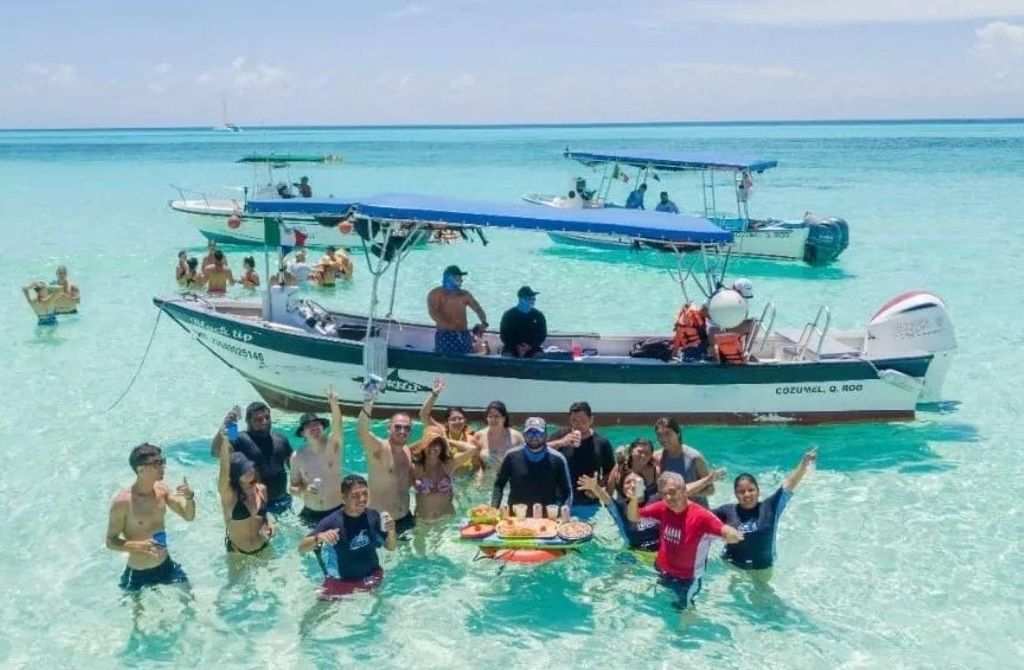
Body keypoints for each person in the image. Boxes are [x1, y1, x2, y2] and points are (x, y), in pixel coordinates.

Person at [627, 471, 742, 609]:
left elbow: (725, 531)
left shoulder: (702, 517)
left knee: (684, 614)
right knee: (661, 607)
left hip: (688, 580)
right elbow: (634, 517)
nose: (668, 497)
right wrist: (634, 499)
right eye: (664, 494)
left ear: (683, 490)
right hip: (662, 571)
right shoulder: (662, 508)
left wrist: (732, 534)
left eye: (672, 492)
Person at [713, 447, 817, 581]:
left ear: (758, 491)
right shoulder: (727, 511)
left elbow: (790, 483)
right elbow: (700, 518)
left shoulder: (770, 507)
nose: (747, 494)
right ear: (735, 494)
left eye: (751, 490)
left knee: (761, 600)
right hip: (732, 566)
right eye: (741, 491)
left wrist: (804, 464)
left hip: (762, 568)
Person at [105, 443, 195, 591]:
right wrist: (139, 546)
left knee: (190, 603)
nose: (162, 467)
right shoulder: (123, 502)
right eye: (156, 463)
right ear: (140, 469)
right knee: (137, 614)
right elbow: (110, 541)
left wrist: (190, 498)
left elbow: (188, 516)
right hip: (138, 573)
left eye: (162, 462)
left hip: (165, 564)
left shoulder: (162, 490)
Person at [298, 474, 397, 599]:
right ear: (344, 498)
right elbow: (301, 548)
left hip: (372, 578)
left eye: (365, 493)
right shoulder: (332, 522)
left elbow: (391, 547)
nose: (362, 499)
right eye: (356, 495)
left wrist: (392, 532)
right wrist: (319, 537)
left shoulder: (373, 516)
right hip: (340, 583)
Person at [212, 402, 294, 515]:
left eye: (267, 417)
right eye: (258, 419)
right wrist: (227, 425)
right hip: (255, 504)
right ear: (248, 421)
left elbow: (294, 467)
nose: (264, 421)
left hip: (283, 500)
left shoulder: (281, 439)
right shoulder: (240, 439)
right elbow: (216, 452)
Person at [357, 390, 416, 533]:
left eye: (406, 428)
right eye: (398, 427)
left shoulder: (407, 450)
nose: (402, 431)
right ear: (388, 428)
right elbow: (363, 431)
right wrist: (368, 402)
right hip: (381, 521)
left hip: (405, 517)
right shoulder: (379, 448)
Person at [291, 387, 346, 527]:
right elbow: (293, 487)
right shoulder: (297, 456)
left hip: (336, 510)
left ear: (322, 428)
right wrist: (304, 490)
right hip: (310, 513)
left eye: (317, 425)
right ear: (303, 433)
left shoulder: (333, 446)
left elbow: (338, 426)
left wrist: (334, 403)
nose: (315, 428)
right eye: (309, 426)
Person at [214, 428, 275, 555]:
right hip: (238, 553)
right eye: (244, 470)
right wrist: (225, 442)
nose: (250, 471)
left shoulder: (261, 489)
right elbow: (224, 472)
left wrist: (270, 526)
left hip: (264, 546)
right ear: (236, 475)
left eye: (249, 467)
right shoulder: (230, 495)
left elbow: (264, 518)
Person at [549, 401, 615, 515]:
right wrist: (561, 442)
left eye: (583, 421)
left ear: (591, 420)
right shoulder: (561, 435)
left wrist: (597, 487)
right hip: (561, 500)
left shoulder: (601, 442)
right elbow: (540, 449)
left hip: (588, 503)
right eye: (574, 421)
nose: (578, 425)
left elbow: (611, 472)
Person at [491, 417, 573, 508]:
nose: (534, 437)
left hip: (548, 518)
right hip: (516, 517)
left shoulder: (558, 459)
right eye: (530, 433)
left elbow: (567, 492)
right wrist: (494, 510)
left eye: (538, 434)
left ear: (545, 435)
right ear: (524, 435)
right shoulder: (511, 456)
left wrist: (564, 510)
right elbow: (499, 484)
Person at [411, 427, 481, 522]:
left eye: (437, 444)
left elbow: (474, 449)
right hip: (422, 521)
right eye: (429, 444)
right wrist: (423, 440)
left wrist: (446, 440)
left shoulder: (448, 465)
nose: (432, 448)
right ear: (423, 446)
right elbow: (402, 451)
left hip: (447, 522)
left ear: (442, 446)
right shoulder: (416, 467)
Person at [652, 417, 715, 508]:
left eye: (667, 434)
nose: (663, 438)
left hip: (696, 511)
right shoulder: (658, 457)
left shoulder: (694, 457)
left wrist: (683, 494)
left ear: (678, 433)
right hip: (672, 510)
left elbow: (710, 490)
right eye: (659, 435)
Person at [426, 265, 488, 355]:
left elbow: (478, 309)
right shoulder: (435, 294)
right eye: (457, 278)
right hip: (444, 334)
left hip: (463, 334)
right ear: (448, 278)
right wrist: (449, 326)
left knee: (467, 360)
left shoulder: (464, 295)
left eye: (461, 278)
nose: (461, 281)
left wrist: (484, 323)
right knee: (446, 360)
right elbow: (433, 313)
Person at [499, 286, 547, 357]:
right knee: (507, 355)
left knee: (538, 355)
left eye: (534, 299)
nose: (533, 301)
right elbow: (504, 335)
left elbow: (542, 334)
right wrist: (517, 346)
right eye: (530, 298)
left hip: (532, 347)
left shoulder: (538, 315)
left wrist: (530, 346)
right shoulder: (508, 315)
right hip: (512, 347)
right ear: (521, 299)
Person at [473, 400, 525, 465]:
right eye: (490, 416)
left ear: (504, 418)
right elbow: (475, 462)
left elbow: (524, 461)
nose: (493, 420)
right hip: (487, 474)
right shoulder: (479, 435)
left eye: (496, 416)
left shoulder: (517, 437)